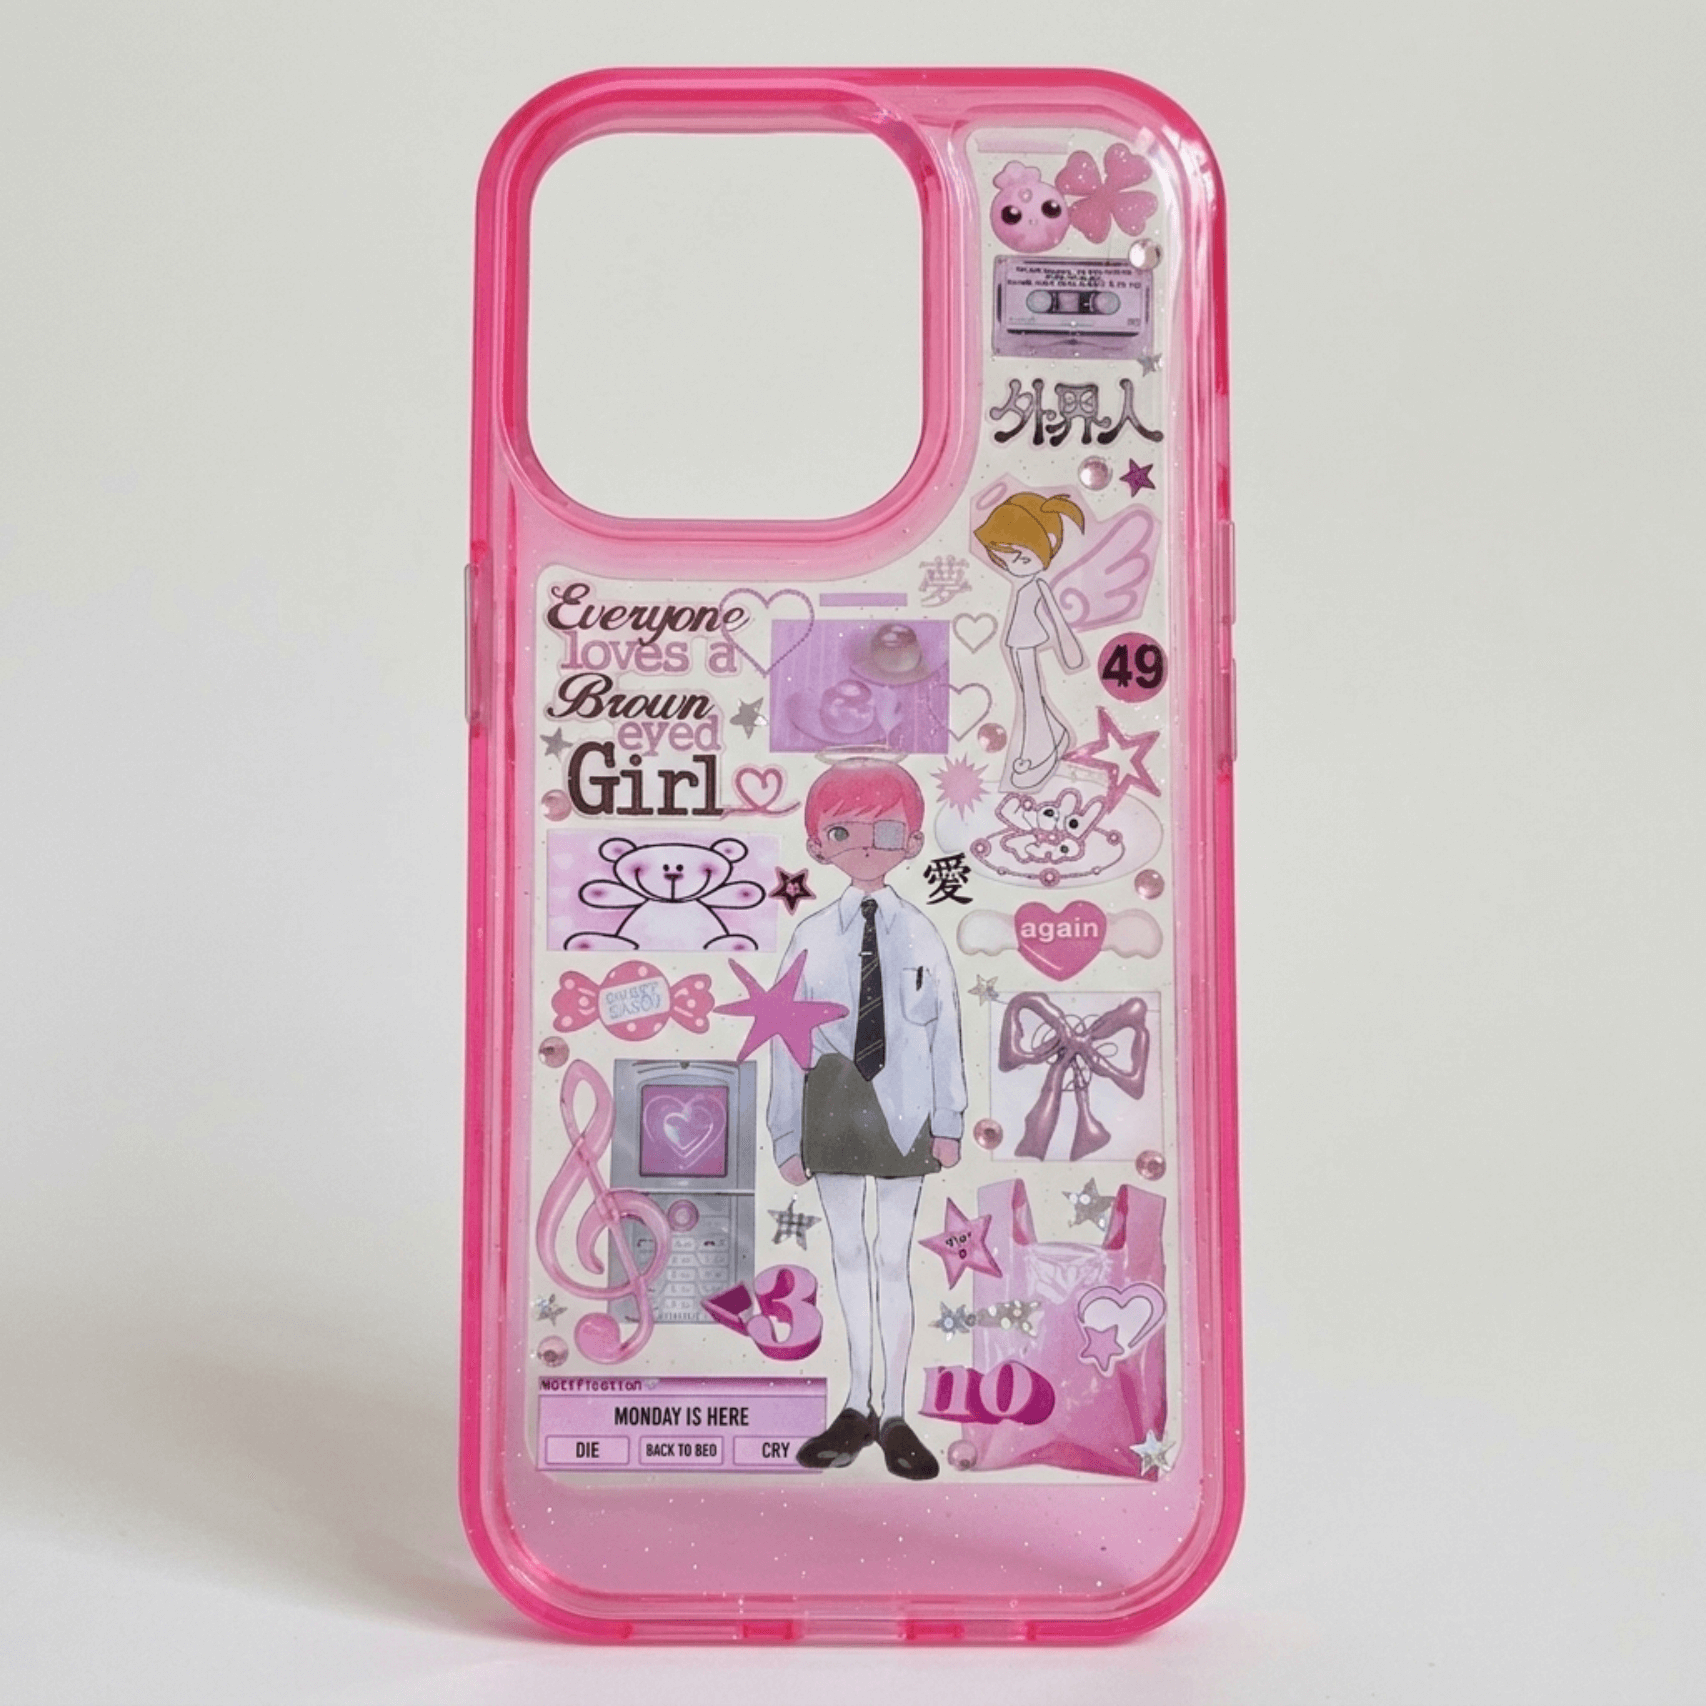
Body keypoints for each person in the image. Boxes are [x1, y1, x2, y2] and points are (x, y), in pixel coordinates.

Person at [767, 759, 967, 1480]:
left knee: (892, 1257)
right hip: (832, 1102)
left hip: (907, 1107)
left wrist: (950, 1119)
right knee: (849, 1253)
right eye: (844, 832)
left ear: (911, 842)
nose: (865, 847)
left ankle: (896, 1414)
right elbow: (784, 1036)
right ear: (818, 845)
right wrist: (785, 1132)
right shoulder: (812, 935)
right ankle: (857, 1402)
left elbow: (944, 1029)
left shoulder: (921, 935)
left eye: (885, 832)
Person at [972, 491, 1087, 792]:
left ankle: (1037, 749)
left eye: (1022, 557)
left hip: (1027, 645)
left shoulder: (1037, 585)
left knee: (1031, 698)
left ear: (1047, 546)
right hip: (1018, 646)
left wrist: (1064, 644)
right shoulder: (1025, 585)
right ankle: (1053, 734)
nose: (1013, 565)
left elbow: (1055, 618)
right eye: (1004, 558)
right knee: (1029, 694)